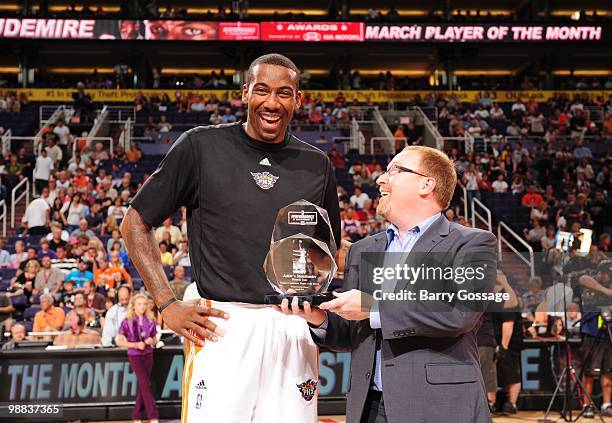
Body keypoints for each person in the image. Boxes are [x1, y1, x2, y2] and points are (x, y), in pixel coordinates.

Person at [121, 53, 341, 422]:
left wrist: (388, 264)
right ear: (245, 94)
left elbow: (328, 251)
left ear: (298, 100)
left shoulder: (317, 164)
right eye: (262, 91)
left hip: (292, 324)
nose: (272, 103)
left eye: (284, 93)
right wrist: (166, 303)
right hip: (223, 323)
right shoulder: (200, 146)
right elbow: (135, 222)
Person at [279, 145, 497, 422]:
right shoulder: (363, 249)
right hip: (369, 406)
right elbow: (352, 334)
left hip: (440, 405)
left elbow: (460, 313)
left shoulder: (472, 242)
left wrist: (374, 307)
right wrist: (320, 319)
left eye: (393, 170)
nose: (380, 179)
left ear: (426, 184)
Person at [115, 293, 160, 423]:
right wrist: (135, 344)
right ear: (133, 306)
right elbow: (119, 341)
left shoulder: (151, 320)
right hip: (135, 355)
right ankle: (153, 415)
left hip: (148, 354)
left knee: (143, 385)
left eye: (145, 304)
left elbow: (155, 339)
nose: (142, 307)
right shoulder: (126, 321)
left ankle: (136, 415)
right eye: (139, 304)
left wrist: (151, 341)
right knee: (145, 384)